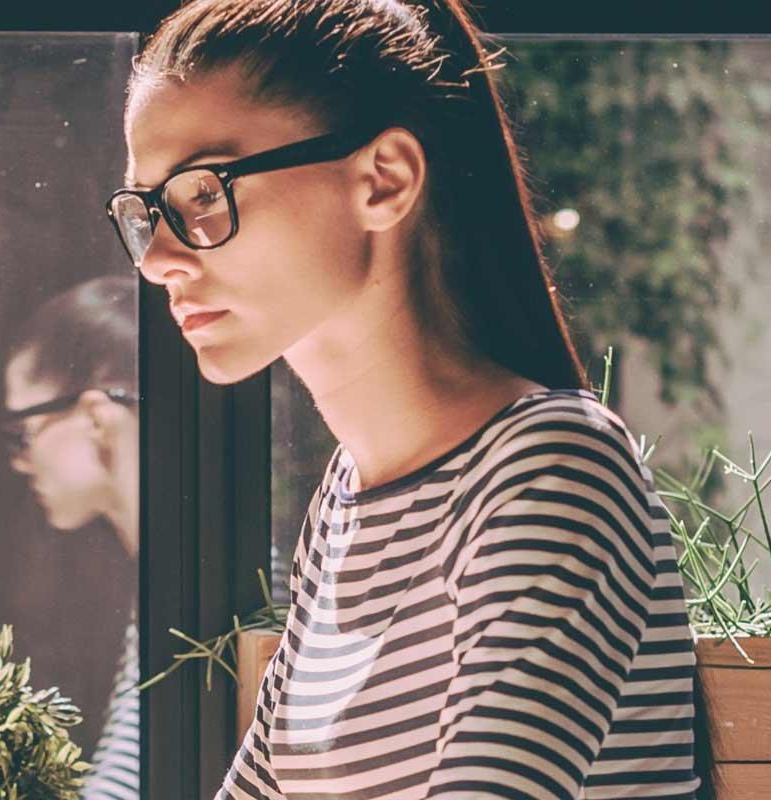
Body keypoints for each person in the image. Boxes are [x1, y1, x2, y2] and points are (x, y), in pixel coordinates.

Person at [107, 0, 702, 796]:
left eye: (202, 192)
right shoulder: (344, 510)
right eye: (146, 213)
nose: (159, 260)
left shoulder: (554, 470)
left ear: (383, 180)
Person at [2, 274, 147, 800]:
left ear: (93, 417)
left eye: (23, 430)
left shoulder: (207, 595)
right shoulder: (169, 583)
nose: (20, 461)